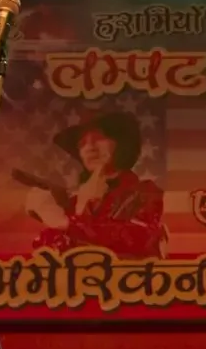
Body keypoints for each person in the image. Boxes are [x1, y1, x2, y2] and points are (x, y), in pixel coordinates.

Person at [23, 111, 168, 260]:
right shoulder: (73, 202)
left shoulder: (145, 192)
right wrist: (49, 214)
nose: (89, 148)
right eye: (82, 144)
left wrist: (66, 223)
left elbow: (140, 240)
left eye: (99, 138)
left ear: (121, 143)